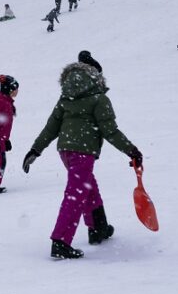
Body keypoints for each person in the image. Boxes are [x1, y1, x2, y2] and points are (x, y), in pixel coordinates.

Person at [22, 61, 143, 259]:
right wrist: (132, 150)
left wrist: (36, 149)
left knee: (87, 186)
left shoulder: (66, 98)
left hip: (65, 150)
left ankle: (98, 228)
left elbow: (51, 127)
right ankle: (60, 241)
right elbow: (110, 131)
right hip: (83, 151)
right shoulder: (99, 99)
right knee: (76, 193)